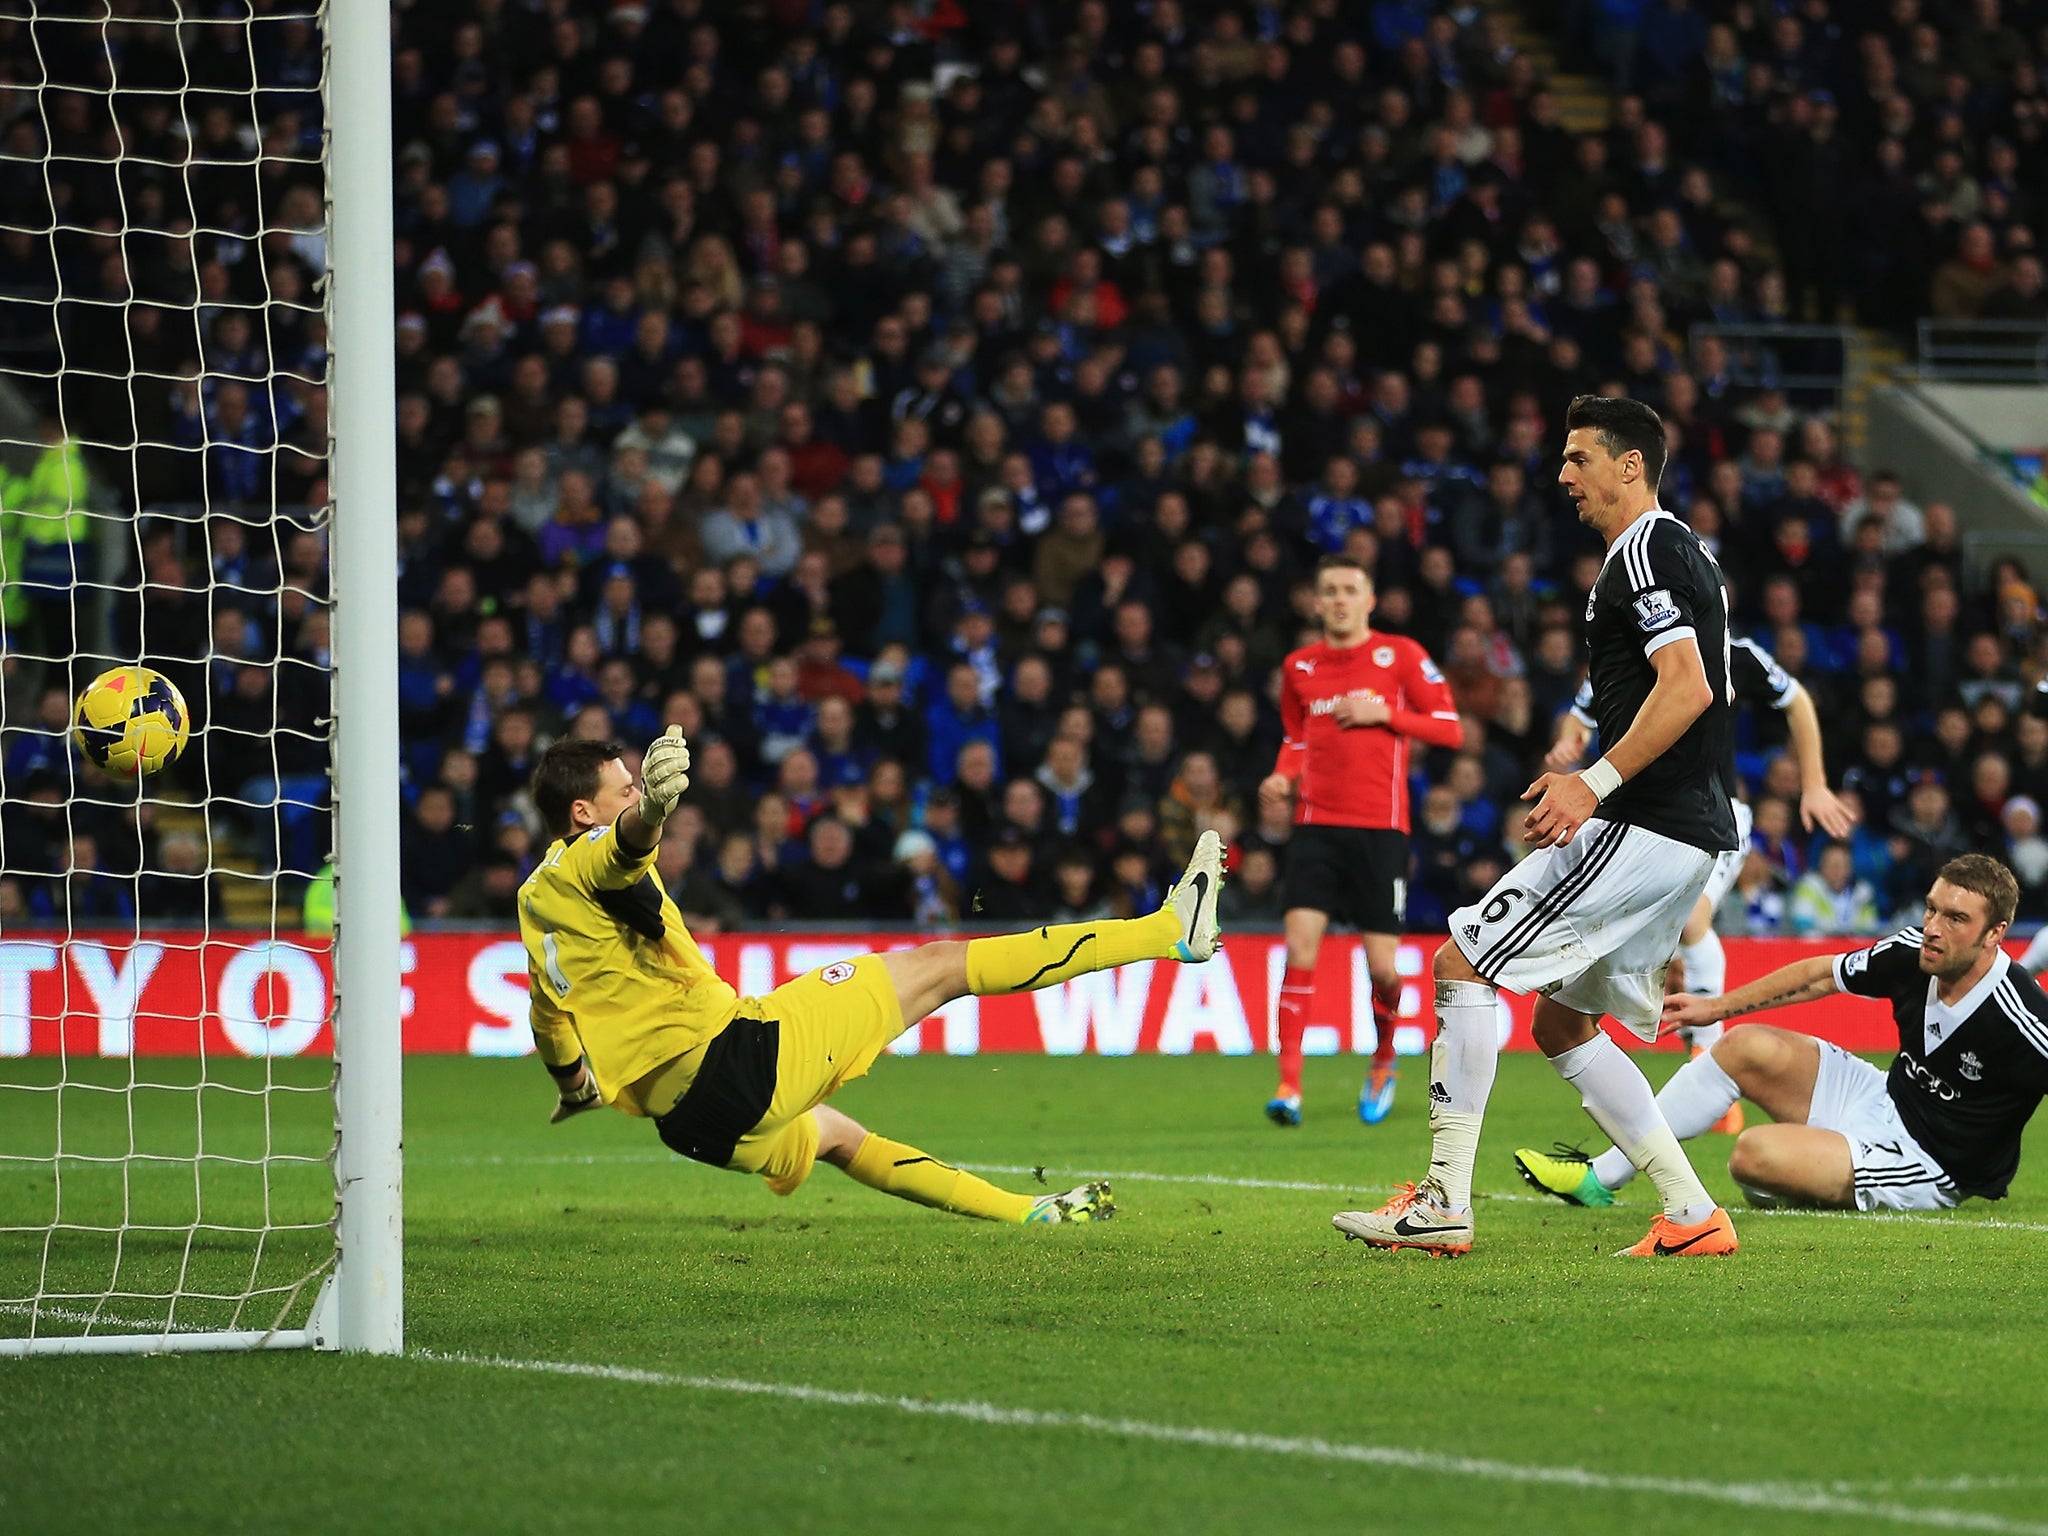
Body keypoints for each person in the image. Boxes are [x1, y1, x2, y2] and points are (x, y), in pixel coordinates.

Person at [1334, 396, 1745, 1258]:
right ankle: (1691, 1212)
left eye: (1579, 458)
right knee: (1560, 1025)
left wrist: (1592, 782)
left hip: (1647, 825)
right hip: (1682, 831)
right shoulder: (1680, 554)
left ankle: (1444, 1199)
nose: (1562, 476)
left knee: (1461, 962)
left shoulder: (1648, 549)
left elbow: (1690, 689)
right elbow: (1699, 690)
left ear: (1630, 465)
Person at [519, 728, 1226, 1225]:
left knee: (839, 1140)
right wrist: (654, 810)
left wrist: (576, 1087)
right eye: (623, 787)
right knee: (942, 966)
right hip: (733, 1060)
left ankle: (1029, 1213)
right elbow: (622, 847)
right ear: (582, 813)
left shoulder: (536, 904)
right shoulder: (591, 853)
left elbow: (549, 1018)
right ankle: (1168, 931)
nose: (634, 791)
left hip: (689, 1125)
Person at [1522, 857, 2047, 1213]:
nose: (1934, 926)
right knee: (1744, 1045)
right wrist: (1716, 1007)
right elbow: (1821, 974)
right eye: (1932, 908)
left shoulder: (2021, 1017)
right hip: (1884, 1097)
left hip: (1927, 1161)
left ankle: (1805, 1175)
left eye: (1956, 919)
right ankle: (1601, 1178)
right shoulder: (1916, 950)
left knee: (1753, 1159)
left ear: (1995, 934)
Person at [1536, 631, 1857, 1137]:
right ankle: (1641, 1033)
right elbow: (1580, 711)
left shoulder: (1736, 652)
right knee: (1640, 939)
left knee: (1692, 922)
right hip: (1641, 822)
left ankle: (1710, 1064)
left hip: (1718, 815)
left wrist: (1814, 783)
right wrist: (1568, 739)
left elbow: (1797, 701)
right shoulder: (1622, 652)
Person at [1258, 554, 1463, 1128]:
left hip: (1380, 831)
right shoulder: (1299, 667)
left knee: (1383, 970)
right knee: (1300, 951)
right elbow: (1296, 739)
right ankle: (1289, 1085)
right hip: (1315, 829)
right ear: (1316, 602)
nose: (1340, 600)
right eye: (1330, 591)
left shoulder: (1400, 656)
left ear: (1369, 600)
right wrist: (1282, 775)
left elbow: (1450, 728)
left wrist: (1386, 714)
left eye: (1350, 589)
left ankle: (1383, 1059)